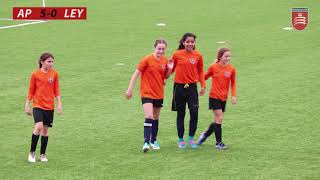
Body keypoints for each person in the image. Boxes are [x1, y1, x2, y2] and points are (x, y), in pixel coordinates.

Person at [125, 39, 173, 152]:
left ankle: (153, 140)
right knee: (149, 116)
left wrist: (170, 68)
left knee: (156, 118)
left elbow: (165, 77)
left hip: (159, 93)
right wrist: (129, 90)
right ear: (154, 48)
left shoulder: (165, 60)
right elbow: (136, 73)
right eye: (159, 48)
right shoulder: (147, 59)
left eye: (163, 49)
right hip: (147, 92)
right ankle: (146, 143)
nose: (161, 51)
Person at [25, 52, 63, 162]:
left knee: (45, 131)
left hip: (49, 106)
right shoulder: (35, 74)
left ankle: (42, 154)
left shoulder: (54, 74)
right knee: (39, 126)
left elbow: (56, 90)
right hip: (37, 104)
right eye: (49, 61)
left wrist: (59, 104)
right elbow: (31, 90)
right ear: (42, 62)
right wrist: (27, 105)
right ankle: (31, 153)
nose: (51, 64)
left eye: (52, 62)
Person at [171, 32, 206, 149]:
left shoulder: (198, 55)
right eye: (187, 42)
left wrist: (203, 85)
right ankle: (180, 140)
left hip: (192, 88)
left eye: (192, 42)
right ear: (183, 42)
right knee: (181, 114)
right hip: (179, 88)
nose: (190, 44)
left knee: (194, 113)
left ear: (194, 43)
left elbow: (200, 71)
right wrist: (163, 77)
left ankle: (191, 139)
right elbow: (171, 69)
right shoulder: (176, 54)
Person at [197, 48, 237, 150]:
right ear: (220, 57)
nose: (228, 58)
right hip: (214, 96)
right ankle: (218, 143)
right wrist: (200, 85)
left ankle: (205, 135)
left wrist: (233, 95)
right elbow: (204, 77)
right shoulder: (213, 67)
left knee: (216, 120)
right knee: (220, 118)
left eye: (229, 56)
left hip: (224, 98)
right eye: (226, 56)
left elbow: (233, 83)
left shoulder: (231, 69)